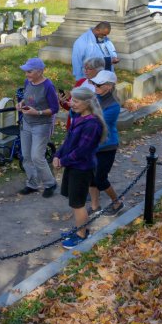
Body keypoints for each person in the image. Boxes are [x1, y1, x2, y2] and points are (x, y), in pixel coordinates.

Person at [51, 87, 106, 250]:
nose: (71, 103)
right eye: (72, 99)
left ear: (87, 103)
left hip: (81, 168)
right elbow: (68, 141)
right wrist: (57, 155)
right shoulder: (78, 117)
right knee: (74, 201)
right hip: (72, 166)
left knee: (78, 204)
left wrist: (63, 161)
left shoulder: (92, 124)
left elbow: (83, 150)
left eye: (75, 101)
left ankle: (81, 236)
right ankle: (80, 229)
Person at [16, 57, 60, 198]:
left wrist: (38, 112)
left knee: (37, 157)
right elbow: (27, 97)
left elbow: (54, 108)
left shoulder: (48, 86)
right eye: (26, 71)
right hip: (27, 123)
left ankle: (50, 183)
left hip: (41, 125)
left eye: (29, 71)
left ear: (40, 72)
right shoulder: (28, 82)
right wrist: (21, 103)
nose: (27, 74)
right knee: (27, 156)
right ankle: (32, 184)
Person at [89, 70, 123, 216]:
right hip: (92, 145)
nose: (95, 85)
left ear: (109, 86)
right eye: (94, 82)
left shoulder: (114, 105)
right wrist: (73, 108)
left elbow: (98, 122)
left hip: (107, 146)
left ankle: (117, 202)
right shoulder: (94, 97)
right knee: (91, 177)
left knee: (100, 179)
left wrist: (83, 112)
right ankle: (95, 206)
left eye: (99, 84)